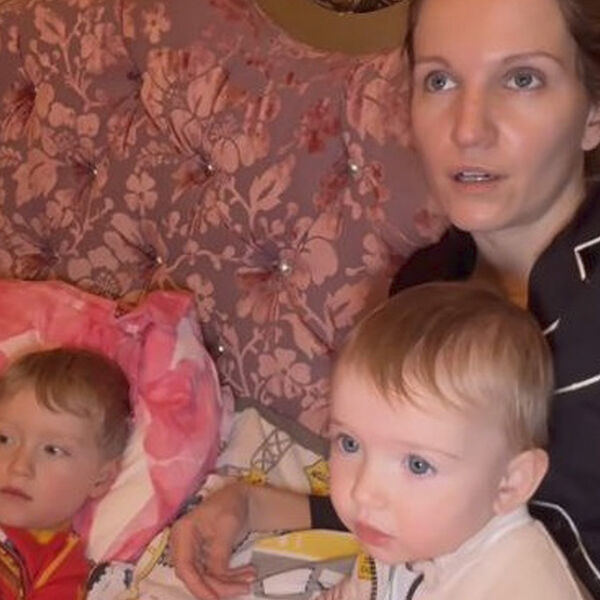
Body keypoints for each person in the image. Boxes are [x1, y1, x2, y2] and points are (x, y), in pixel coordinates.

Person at [171, 0, 600, 596]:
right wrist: (252, 504)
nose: (468, 128)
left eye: (522, 78)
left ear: (593, 112)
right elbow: (426, 503)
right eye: (440, 81)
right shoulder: (424, 289)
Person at [321, 281, 582, 599]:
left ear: (509, 484)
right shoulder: (404, 530)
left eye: (417, 465)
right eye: (349, 443)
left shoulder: (519, 588)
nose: (363, 492)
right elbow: (367, 588)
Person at [0, 347, 132, 599]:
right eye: (4, 439)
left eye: (53, 450)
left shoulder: (60, 565)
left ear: (101, 478)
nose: (19, 466)